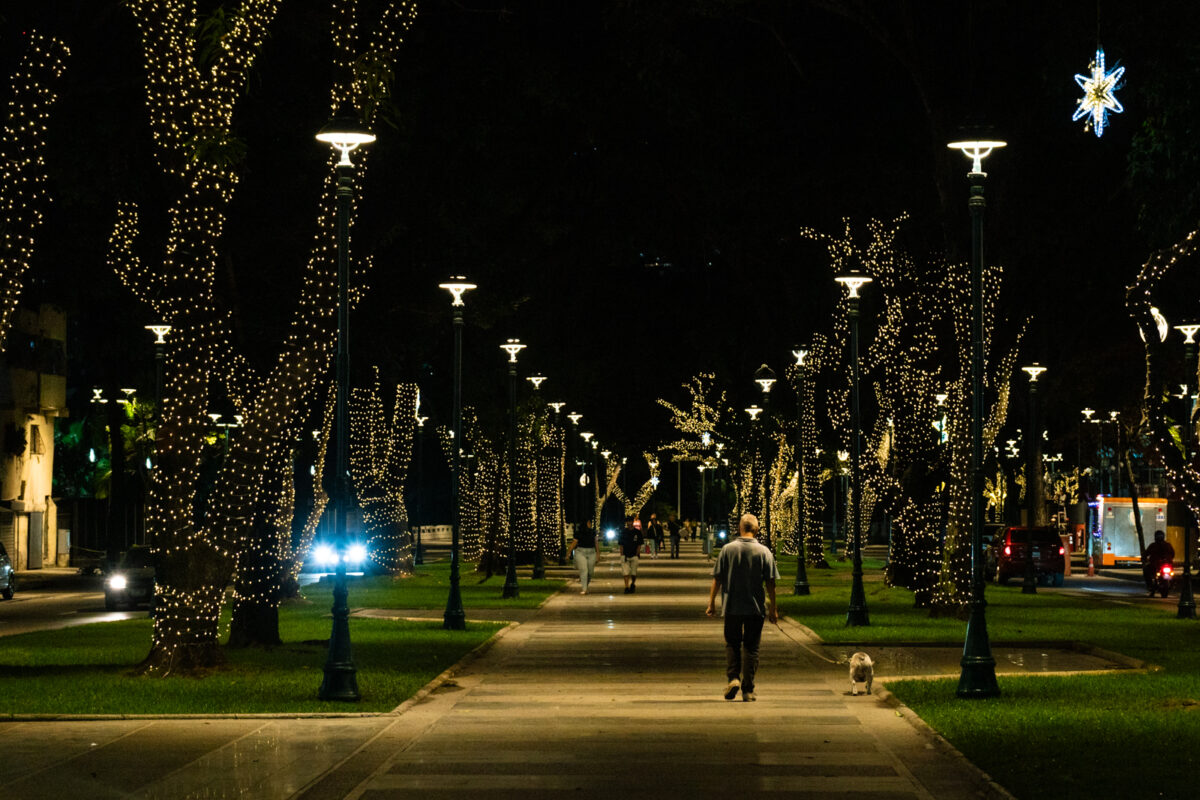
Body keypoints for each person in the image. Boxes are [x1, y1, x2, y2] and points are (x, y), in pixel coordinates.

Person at [706, 513, 779, 701]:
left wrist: (711, 603)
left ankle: (733, 678)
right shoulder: (764, 552)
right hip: (755, 608)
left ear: (740, 528)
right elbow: (770, 582)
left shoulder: (727, 550)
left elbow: (718, 578)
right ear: (756, 529)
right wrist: (773, 608)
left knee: (732, 643)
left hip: (732, 606)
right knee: (751, 648)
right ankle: (748, 690)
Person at [567, 518, 600, 594]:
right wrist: (568, 553)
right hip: (581, 552)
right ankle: (584, 589)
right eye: (589, 523)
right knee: (584, 570)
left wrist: (598, 554)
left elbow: (596, 543)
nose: (590, 524)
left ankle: (585, 586)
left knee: (590, 572)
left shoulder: (593, 532)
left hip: (591, 552)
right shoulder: (578, 533)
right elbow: (573, 543)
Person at [618, 515, 643, 593]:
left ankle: (633, 583)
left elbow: (639, 544)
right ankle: (626, 586)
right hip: (625, 555)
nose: (629, 523)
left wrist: (637, 553)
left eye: (630, 521)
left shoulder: (637, 532)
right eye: (627, 521)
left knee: (633, 573)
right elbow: (621, 544)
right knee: (625, 572)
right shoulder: (623, 532)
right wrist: (622, 555)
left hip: (634, 555)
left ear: (633, 522)